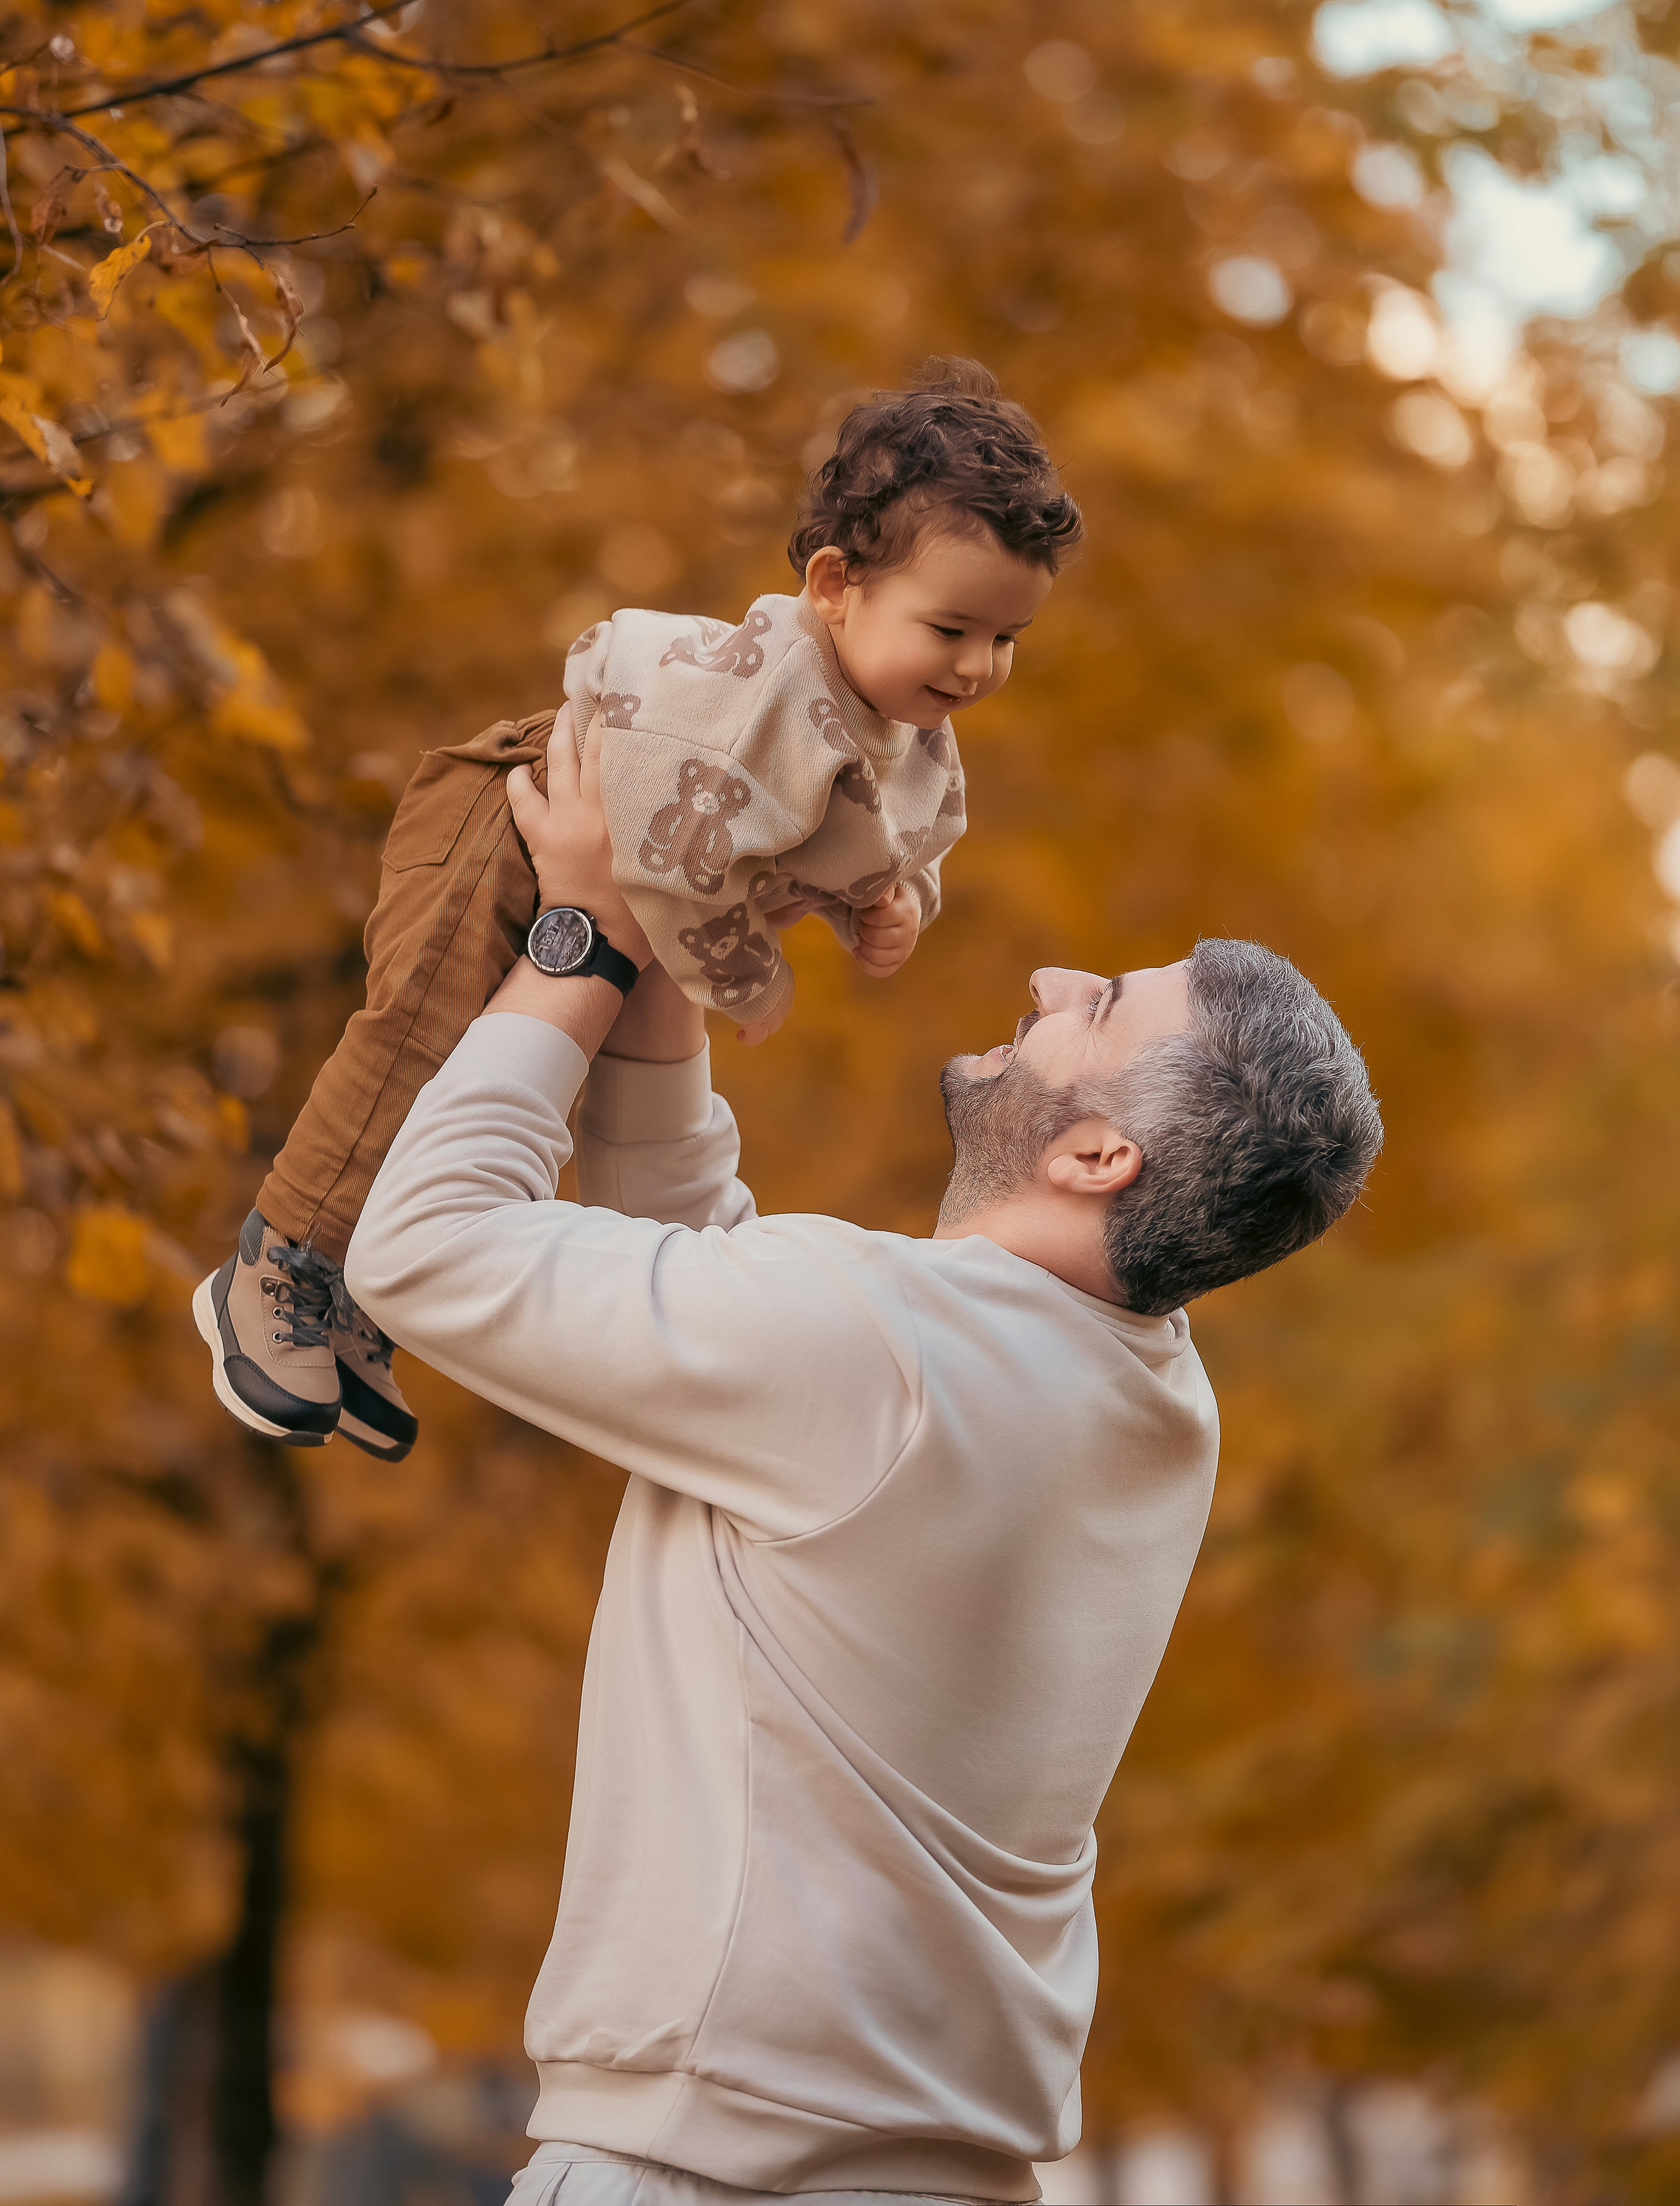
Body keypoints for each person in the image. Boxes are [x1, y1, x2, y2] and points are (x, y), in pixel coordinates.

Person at [343, 718, 1384, 2206]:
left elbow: (423, 1247)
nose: (1043, 979)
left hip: (706, 2173)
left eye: (1093, 1003)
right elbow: (711, 1314)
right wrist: (666, 960)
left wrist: (576, 939)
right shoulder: (1145, 1401)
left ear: (1098, 1155)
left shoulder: (885, 1346)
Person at [191, 360, 1081, 1465]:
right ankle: (280, 1262)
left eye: (1005, 641)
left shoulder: (906, 721)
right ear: (835, 584)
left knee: (523, 1080)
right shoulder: (757, 702)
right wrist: (750, 976)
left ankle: (364, 1296)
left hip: (627, 867)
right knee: (424, 1038)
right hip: (514, 811)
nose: (978, 667)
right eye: (952, 628)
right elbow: (667, 867)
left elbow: (901, 841)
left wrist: (891, 905)